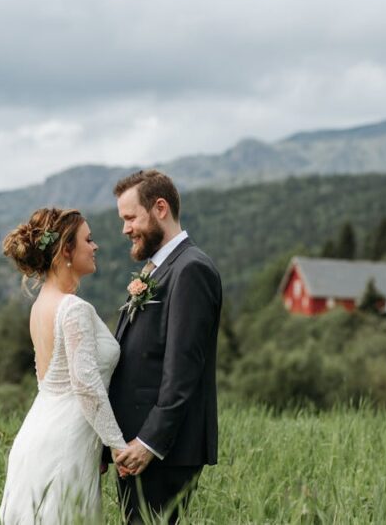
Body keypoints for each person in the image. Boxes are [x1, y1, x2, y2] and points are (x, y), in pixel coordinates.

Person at [0, 208, 127, 525]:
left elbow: (53, 382)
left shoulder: (41, 304)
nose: (95, 247)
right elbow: (86, 386)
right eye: (88, 239)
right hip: (65, 445)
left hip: (40, 433)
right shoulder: (73, 309)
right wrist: (119, 447)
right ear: (66, 250)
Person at [106, 170, 222, 523]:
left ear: (160, 208)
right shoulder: (158, 269)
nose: (125, 229)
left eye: (130, 218)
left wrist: (150, 442)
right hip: (137, 446)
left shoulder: (190, 270)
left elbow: (183, 368)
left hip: (164, 450)